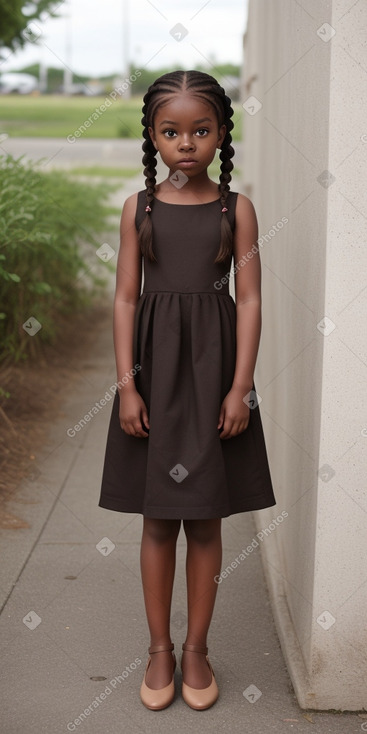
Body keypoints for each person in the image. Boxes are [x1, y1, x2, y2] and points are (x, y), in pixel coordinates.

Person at [98, 69, 276, 711]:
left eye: (201, 130)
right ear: (152, 136)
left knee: (203, 516)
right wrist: (126, 387)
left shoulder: (237, 210)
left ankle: (197, 647)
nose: (186, 143)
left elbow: (250, 300)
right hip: (152, 375)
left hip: (212, 377)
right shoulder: (138, 209)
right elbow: (124, 298)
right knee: (156, 518)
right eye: (171, 131)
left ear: (222, 134)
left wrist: (241, 387)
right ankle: (159, 649)